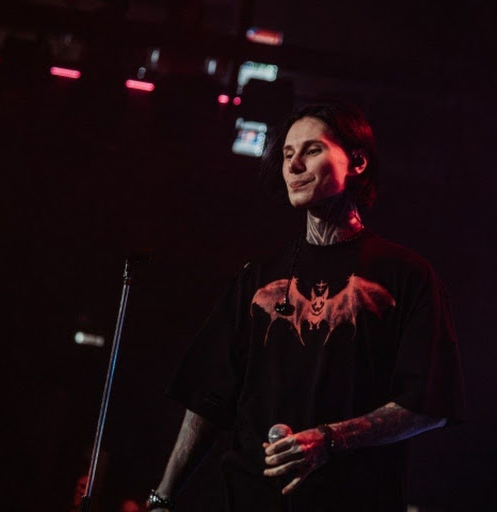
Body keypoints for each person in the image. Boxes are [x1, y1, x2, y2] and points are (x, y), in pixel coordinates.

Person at [146, 100, 465, 511]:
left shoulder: (406, 275)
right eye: (287, 154)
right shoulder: (258, 278)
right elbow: (208, 397)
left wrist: (329, 440)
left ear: (357, 162)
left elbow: (428, 403)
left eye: (312, 150)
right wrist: (162, 496)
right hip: (251, 501)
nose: (294, 165)